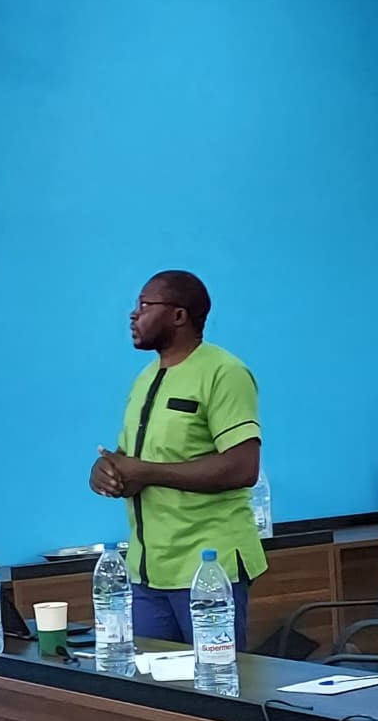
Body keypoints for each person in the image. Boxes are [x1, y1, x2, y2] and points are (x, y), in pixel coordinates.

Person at [89, 269, 266, 648]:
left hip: (209, 568)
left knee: (214, 679)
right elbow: (132, 463)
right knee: (146, 682)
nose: (133, 315)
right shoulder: (145, 378)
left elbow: (243, 467)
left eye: (144, 305)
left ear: (179, 315)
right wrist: (106, 472)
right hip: (147, 572)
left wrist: (145, 471)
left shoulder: (224, 372)